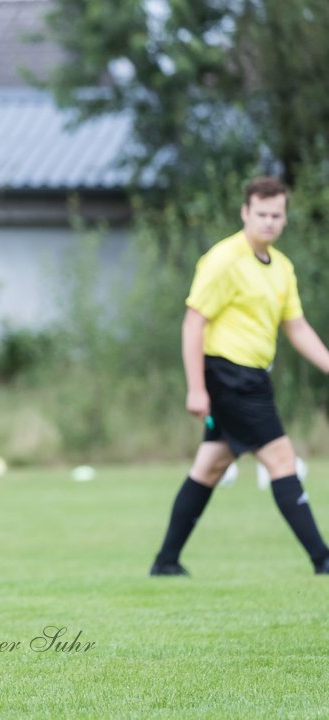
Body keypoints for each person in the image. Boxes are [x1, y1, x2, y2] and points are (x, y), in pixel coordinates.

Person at [149, 176, 329, 578]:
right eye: (261, 214)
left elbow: (296, 327)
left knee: (210, 466)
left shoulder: (282, 267)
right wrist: (196, 388)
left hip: (253, 378)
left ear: (285, 217)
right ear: (245, 212)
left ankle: (165, 562)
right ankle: (323, 559)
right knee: (282, 458)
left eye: (276, 215)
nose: (269, 221)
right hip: (227, 375)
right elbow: (193, 323)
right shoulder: (224, 259)